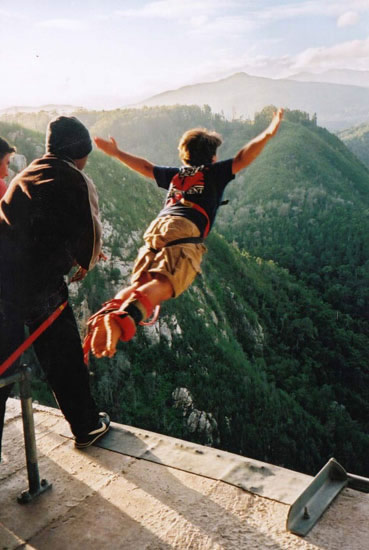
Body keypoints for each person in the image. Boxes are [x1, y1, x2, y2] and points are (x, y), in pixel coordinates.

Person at [85, 108, 284, 360]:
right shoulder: (213, 172)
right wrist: (268, 133)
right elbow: (244, 157)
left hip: (158, 227)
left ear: (185, 156)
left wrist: (116, 153)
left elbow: (146, 167)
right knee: (165, 285)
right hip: (185, 228)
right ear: (212, 157)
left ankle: (111, 312)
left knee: (140, 284)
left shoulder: (176, 174)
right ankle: (124, 318)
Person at [0, 116, 110, 457]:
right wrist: (85, 262)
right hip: (37, 281)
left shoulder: (28, 172)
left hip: (4, 278)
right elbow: (90, 236)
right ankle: (87, 426)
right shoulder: (76, 179)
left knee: (5, 363)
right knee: (61, 352)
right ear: (79, 152)